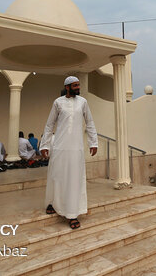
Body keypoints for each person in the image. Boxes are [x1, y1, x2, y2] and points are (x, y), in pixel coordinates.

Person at [40, 76, 98, 229]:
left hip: (76, 148)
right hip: (59, 146)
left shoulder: (83, 102)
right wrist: (44, 145)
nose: (78, 87)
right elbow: (49, 125)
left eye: (78, 85)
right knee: (56, 176)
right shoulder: (58, 102)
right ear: (67, 87)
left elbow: (90, 122)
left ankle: (72, 214)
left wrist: (93, 142)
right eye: (75, 85)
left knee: (74, 179)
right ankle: (52, 203)